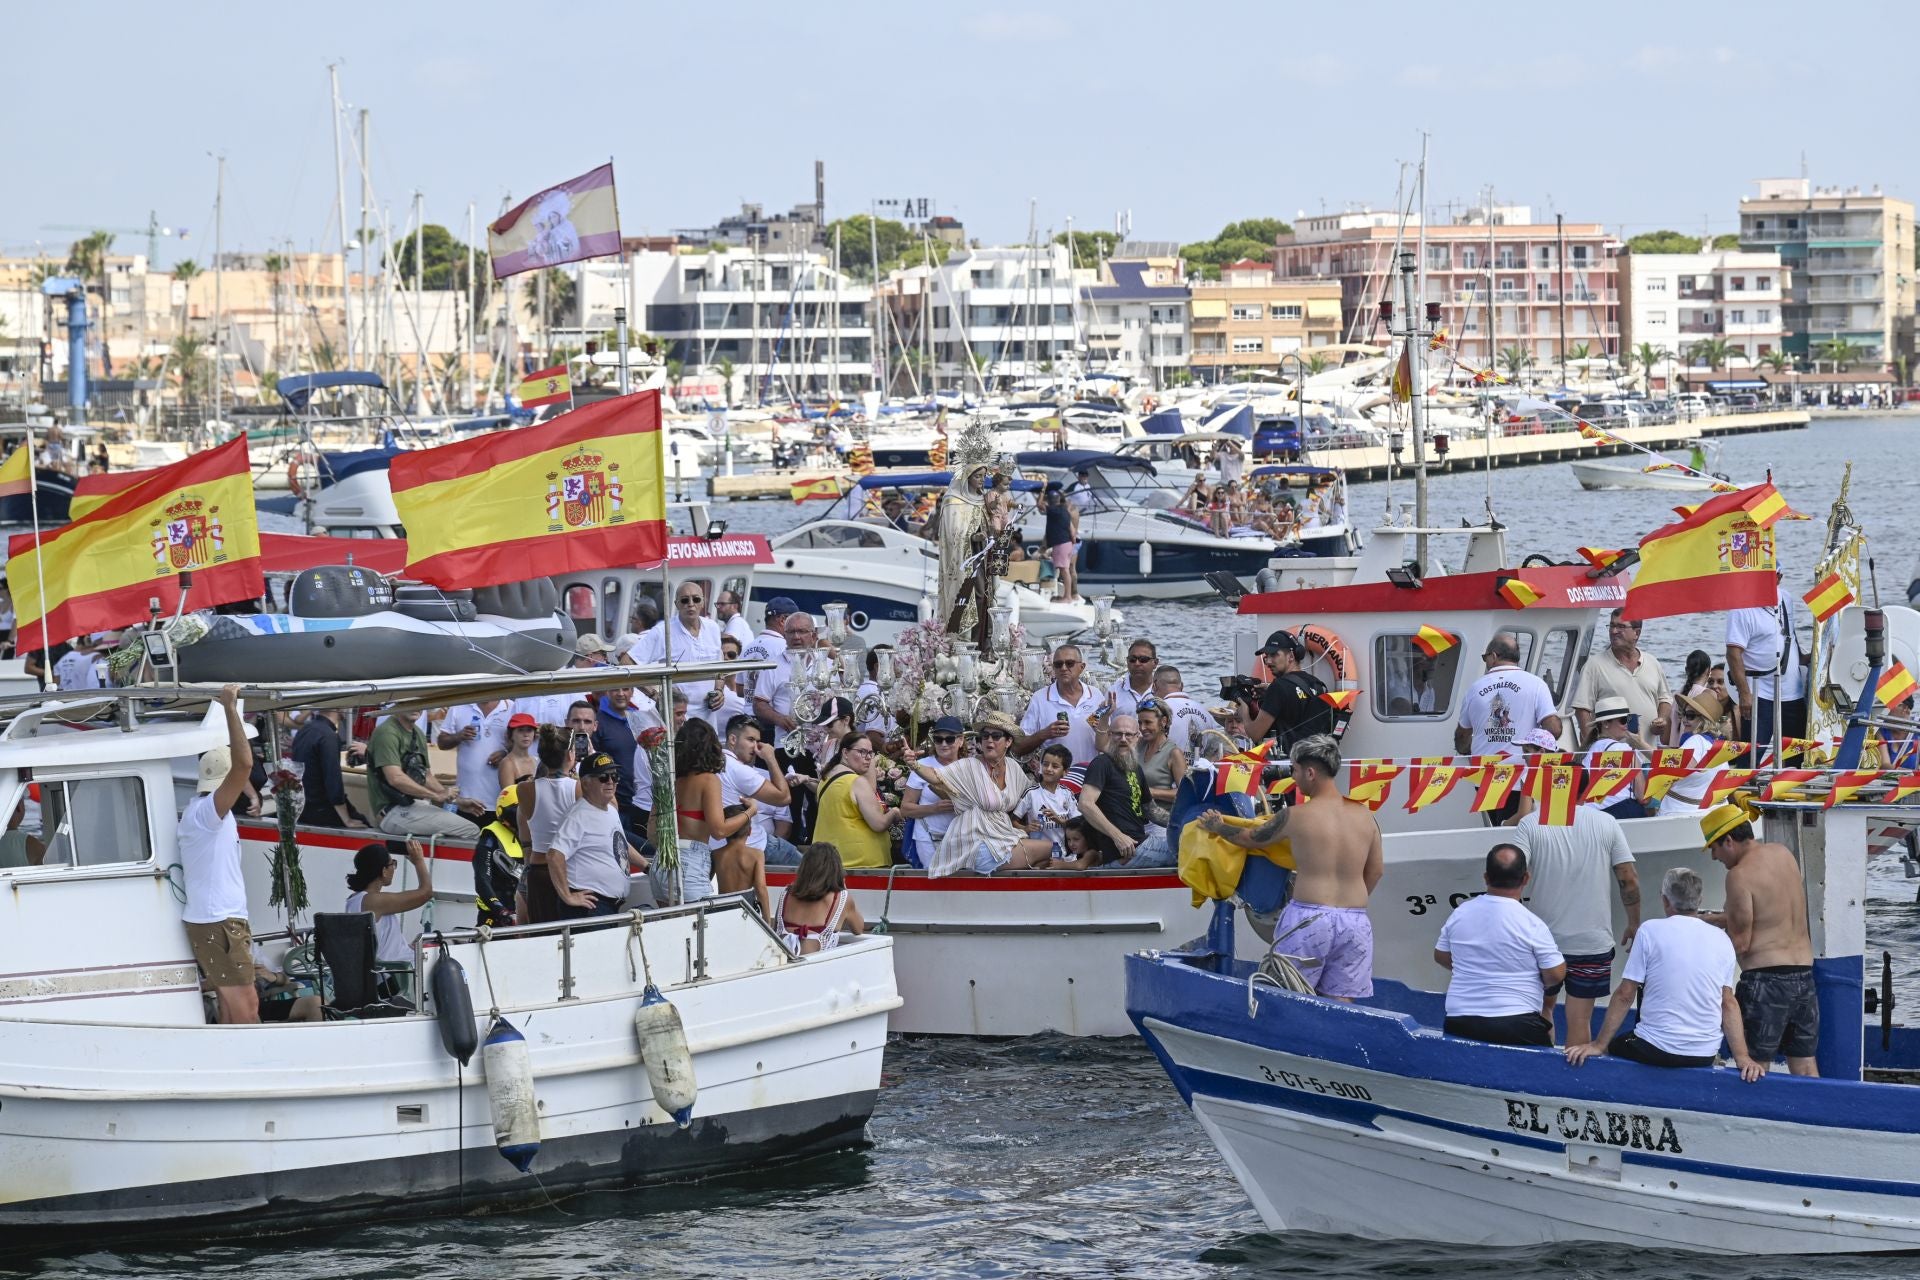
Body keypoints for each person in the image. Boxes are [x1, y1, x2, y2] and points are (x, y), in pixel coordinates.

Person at [1196, 734, 1383, 1001]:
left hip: (1310, 919)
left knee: (1289, 996)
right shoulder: (1365, 815)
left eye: (1294, 770)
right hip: (1355, 921)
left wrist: (1217, 826)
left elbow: (1249, 839)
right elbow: (1376, 870)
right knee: (1342, 1002)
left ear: (1310, 772)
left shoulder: (1295, 816)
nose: (1292, 777)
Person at [1565, 867, 1764, 1080]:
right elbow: (1728, 1003)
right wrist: (1742, 1056)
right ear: (1699, 900)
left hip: (1653, 1049)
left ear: (1665, 901)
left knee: (1616, 1045)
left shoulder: (1650, 931)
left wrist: (1599, 1044)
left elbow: (1625, 994)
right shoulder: (1722, 939)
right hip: (1703, 1055)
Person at [1701, 800, 1820, 1075]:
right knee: (1804, 1065)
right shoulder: (1782, 854)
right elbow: (1770, 913)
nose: (1714, 858)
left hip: (1766, 983)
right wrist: (1711, 919)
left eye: (1714, 849)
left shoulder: (1739, 875)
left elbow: (1741, 942)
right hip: (1803, 977)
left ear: (1728, 840)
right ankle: (1813, 1115)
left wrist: (1699, 949)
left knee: (1755, 1067)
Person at [1512, 792, 1639, 1044]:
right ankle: (1576, 1077)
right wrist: (1634, 922)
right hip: (1592, 943)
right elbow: (1628, 878)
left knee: (1542, 1010)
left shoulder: (1530, 823)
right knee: (1580, 1020)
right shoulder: (1606, 822)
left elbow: (1514, 872)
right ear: (1585, 790)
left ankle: (1543, 1069)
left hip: (1543, 941)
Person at [179, 685, 259, 1024]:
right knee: (246, 1009)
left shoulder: (198, 812)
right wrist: (229, 708)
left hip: (213, 919)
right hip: (220, 920)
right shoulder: (209, 814)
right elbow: (244, 763)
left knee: (231, 1009)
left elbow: (239, 769)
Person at [1434, 845, 1567, 1046]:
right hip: (1518, 1023)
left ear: (1486, 878)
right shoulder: (1532, 923)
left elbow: (1440, 955)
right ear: (1526, 879)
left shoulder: (1460, 913)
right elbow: (1556, 975)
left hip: (1459, 1020)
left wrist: (1474, 967)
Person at [914, 711, 1054, 876]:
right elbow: (935, 776)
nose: (989, 740)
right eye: (985, 736)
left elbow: (1031, 796)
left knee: (1049, 858)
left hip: (1003, 837)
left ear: (1008, 741)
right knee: (1049, 848)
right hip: (976, 843)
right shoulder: (970, 765)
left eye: (996, 736)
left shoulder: (1013, 768)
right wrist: (913, 764)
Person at [549, 751, 650, 918]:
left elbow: (620, 844)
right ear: (586, 783)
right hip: (589, 907)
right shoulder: (578, 816)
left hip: (606, 906)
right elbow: (554, 856)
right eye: (603, 777)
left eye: (614, 776)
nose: (610, 782)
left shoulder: (610, 810)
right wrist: (567, 896)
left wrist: (647, 867)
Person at [672, 719, 758, 905]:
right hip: (690, 866)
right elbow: (719, 831)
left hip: (663, 863)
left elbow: (652, 832)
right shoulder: (708, 780)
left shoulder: (672, 781)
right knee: (701, 931)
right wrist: (750, 812)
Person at [720, 714, 794, 913]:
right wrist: (770, 758)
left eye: (758, 741)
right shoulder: (737, 768)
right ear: (733, 739)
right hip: (756, 844)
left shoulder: (709, 761)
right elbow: (784, 797)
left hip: (722, 847)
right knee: (813, 872)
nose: (756, 747)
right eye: (751, 740)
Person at [1726, 576, 1808, 753]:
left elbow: (1789, 635)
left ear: (1779, 578)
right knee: (1753, 753)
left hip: (1792, 691)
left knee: (1796, 754)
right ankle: (1747, 779)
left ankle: (1791, 780)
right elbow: (1733, 653)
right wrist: (1744, 694)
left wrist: (1805, 658)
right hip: (1759, 692)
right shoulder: (1742, 608)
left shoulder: (1786, 598)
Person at [367, 706, 476, 839]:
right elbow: (395, 778)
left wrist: (456, 800)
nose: (416, 706)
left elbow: (426, 775)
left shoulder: (417, 732)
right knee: (471, 830)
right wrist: (436, 796)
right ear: (397, 704)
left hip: (412, 805)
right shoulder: (386, 732)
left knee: (467, 826)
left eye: (420, 702)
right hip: (391, 812)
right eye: (410, 702)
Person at [1077, 715, 1171, 868]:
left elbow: (1151, 811)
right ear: (1109, 735)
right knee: (1192, 851)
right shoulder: (1102, 763)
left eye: (1128, 734)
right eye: (1117, 734)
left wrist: (1183, 822)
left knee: (1192, 843)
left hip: (1142, 846)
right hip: (1128, 854)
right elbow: (1085, 804)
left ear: (1137, 737)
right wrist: (1118, 836)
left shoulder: (1136, 768)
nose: (1123, 739)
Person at [1571, 610, 1673, 744]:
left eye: (1621, 627)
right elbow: (1582, 709)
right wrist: (1594, 745)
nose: (1613, 631)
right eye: (1612, 626)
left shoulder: (1652, 663)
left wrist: (1662, 719)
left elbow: (1664, 699)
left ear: (1637, 633)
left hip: (1647, 755)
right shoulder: (1594, 665)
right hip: (1612, 759)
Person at [1455, 632, 1561, 758]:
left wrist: (1467, 750)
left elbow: (1462, 738)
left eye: (1485, 658)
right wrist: (1534, 747)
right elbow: (1554, 729)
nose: (1485, 662)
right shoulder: (1537, 684)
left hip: (1482, 773)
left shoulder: (1474, 689)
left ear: (1493, 656)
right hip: (1521, 770)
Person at [514, 725, 579, 925]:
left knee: (542, 937)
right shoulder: (579, 788)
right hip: (571, 871)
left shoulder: (524, 789)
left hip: (539, 871)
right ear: (570, 755)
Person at [344, 838, 435, 969]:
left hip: (386, 970)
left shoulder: (354, 899)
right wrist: (418, 861)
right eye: (392, 864)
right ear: (384, 870)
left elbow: (379, 945)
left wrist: (404, 946)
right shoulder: (373, 901)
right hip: (394, 976)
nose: (394, 868)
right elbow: (426, 893)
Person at [812, 732, 895, 869]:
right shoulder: (856, 782)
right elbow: (879, 824)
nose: (868, 758)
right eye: (862, 752)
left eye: (870, 753)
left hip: (828, 863)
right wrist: (895, 813)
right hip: (862, 863)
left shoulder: (825, 779)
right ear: (845, 752)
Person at [1016, 643, 1107, 764]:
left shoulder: (1095, 695)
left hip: (1090, 776)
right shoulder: (1040, 698)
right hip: (1055, 779)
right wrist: (1044, 734)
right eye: (1058, 664)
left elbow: (1108, 738)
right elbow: (1019, 748)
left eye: (1069, 663)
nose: (1064, 668)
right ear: (1053, 668)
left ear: (1082, 667)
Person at [629, 580, 725, 693]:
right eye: (684, 600)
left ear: (703, 602)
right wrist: (653, 695)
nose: (691, 604)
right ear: (676, 604)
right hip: (674, 709)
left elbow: (719, 668)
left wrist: (719, 690)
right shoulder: (663, 631)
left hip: (709, 709)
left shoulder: (713, 628)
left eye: (696, 599)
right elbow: (627, 663)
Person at [1240, 630, 1331, 748]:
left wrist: (1244, 712)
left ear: (1291, 656)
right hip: (1316, 757)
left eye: (1274, 655)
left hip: (1291, 761)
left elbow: (1255, 734)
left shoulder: (1278, 687)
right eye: (1266, 657)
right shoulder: (1317, 684)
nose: (1268, 661)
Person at [777, 843, 868, 954]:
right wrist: (844, 889)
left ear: (804, 867)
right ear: (835, 869)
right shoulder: (840, 898)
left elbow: (775, 929)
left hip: (782, 965)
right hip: (819, 968)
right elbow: (858, 929)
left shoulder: (786, 894)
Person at [899, 716, 964, 868]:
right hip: (927, 837)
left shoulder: (969, 765)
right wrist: (934, 808)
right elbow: (905, 809)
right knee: (933, 881)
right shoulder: (921, 765)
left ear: (960, 740)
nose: (943, 744)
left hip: (962, 838)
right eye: (938, 739)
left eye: (949, 739)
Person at [290, 705, 367, 829]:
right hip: (321, 807)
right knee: (364, 823)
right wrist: (346, 819)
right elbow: (333, 780)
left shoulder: (305, 729)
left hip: (302, 805)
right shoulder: (328, 736)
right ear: (339, 707)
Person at [1659, 692, 1732, 814]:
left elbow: (1672, 771)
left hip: (1680, 812)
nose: (1684, 720)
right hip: (1714, 813)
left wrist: (1639, 744)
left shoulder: (1696, 741)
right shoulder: (1719, 746)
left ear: (1704, 721)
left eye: (1690, 715)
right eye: (1683, 714)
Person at [437, 698, 517, 807]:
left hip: (500, 799)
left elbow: (524, 742)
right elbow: (441, 743)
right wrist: (459, 736)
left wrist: (506, 754)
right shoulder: (459, 705)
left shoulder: (512, 707)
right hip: (467, 799)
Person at [753, 610, 822, 734]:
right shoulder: (772, 665)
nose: (796, 636)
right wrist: (779, 719)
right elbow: (759, 704)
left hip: (821, 744)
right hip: (786, 743)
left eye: (802, 631)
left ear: (814, 636)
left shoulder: (826, 663)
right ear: (785, 635)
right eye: (791, 632)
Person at [1584, 695, 1652, 820]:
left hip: (1593, 815)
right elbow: (1643, 797)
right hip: (1620, 812)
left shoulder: (1589, 750)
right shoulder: (1624, 750)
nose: (1627, 725)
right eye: (1623, 720)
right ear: (1605, 724)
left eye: (1629, 720)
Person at [1013, 743, 1079, 857]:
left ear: (1065, 772)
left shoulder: (1067, 794)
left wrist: (1060, 821)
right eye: (1045, 764)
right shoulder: (1031, 794)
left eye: (1055, 766)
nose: (1048, 769)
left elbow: (1078, 825)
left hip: (1066, 857)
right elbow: (1013, 821)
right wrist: (1025, 828)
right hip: (1038, 858)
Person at [473, 789, 526, 927]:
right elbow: (482, 880)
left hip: (525, 914)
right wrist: (500, 911)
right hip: (496, 917)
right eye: (521, 809)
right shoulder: (490, 837)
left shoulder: (535, 834)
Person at [1153, 664, 1223, 755]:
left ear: (1154, 686)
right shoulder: (1205, 712)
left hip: (1168, 766)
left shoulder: (1158, 710)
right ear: (1181, 686)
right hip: (1199, 767)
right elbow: (1213, 749)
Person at [1135, 701, 1188, 807]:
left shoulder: (1174, 753)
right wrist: (1105, 716)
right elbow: (1103, 746)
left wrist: (1151, 792)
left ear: (1163, 721)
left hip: (1159, 818)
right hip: (1137, 815)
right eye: (1140, 722)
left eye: (1148, 722)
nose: (1142, 728)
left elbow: (1185, 794)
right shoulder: (1139, 744)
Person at [1043, 486, 1079, 603]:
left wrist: (1042, 490)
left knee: (1064, 570)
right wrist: (1072, 542)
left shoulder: (1053, 511)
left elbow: (1039, 505)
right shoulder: (1065, 511)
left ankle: (1067, 597)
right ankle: (1072, 595)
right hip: (1068, 543)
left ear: (1049, 501)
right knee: (1067, 570)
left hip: (1061, 544)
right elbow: (1073, 531)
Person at [1109, 639, 1159, 716]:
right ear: (1127, 661)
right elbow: (1093, 720)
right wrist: (1104, 716)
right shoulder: (1114, 691)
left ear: (1155, 663)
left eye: (1143, 660)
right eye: (1132, 659)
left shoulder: (1162, 690)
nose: (1137, 663)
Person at [496, 712, 540, 797]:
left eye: (529, 730)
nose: (526, 734)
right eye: (520, 730)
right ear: (511, 735)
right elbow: (509, 800)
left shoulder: (537, 760)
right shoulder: (507, 763)